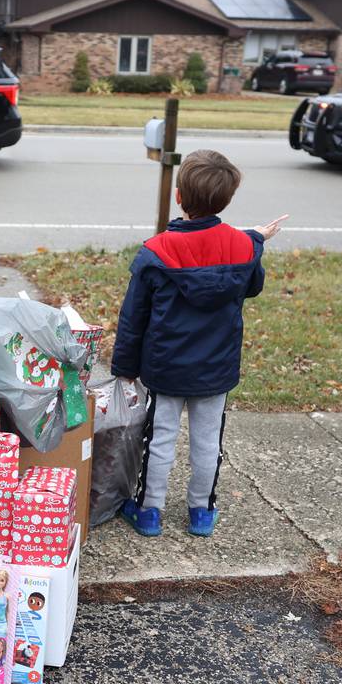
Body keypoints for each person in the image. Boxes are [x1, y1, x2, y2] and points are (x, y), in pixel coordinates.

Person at [110, 150, 285, 538]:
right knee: (208, 442)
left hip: (165, 366)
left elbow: (133, 316)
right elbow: (252, 285)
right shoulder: (242, 247)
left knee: (159, 439)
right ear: (227, 199)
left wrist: (124, 368)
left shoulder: (156, 252)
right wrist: (256, 239)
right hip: (215, 368)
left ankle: (149, 511)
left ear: (178, 197)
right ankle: (201, 512)